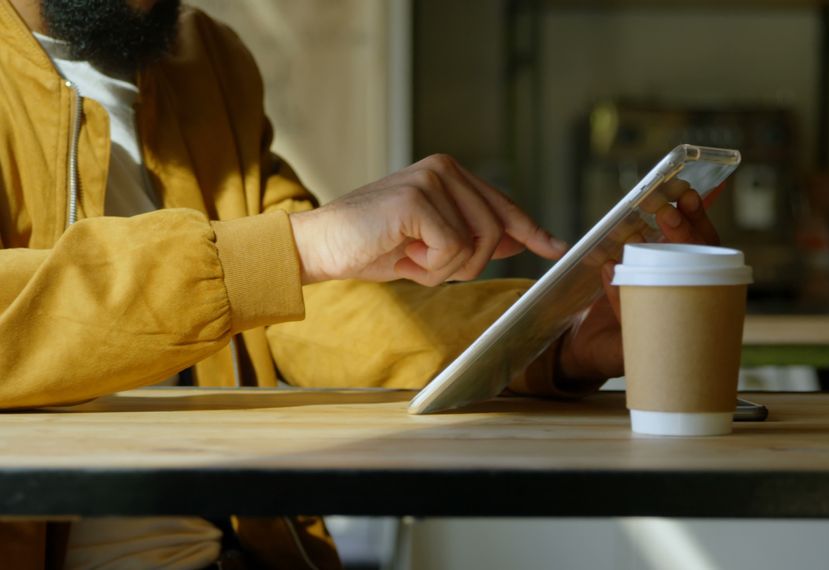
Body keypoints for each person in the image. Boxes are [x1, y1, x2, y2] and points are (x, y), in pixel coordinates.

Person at [0, 0, 722, 567]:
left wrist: (557, 336)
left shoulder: (204, 58)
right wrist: (301, 243)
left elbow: (302, 308)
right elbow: (281, 259)